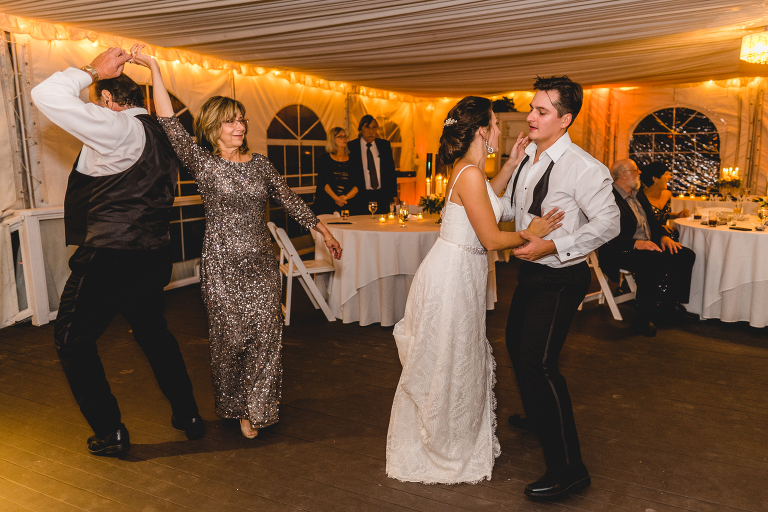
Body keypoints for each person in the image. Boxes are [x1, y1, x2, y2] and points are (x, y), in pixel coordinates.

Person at [130, 45, 342, 439]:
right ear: (214, 127)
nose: (239, 126)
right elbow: (168, 122)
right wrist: (155, 68)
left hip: (261, 266)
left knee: (267, 337)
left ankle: (256, 410)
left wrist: (322, 229)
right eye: (230, 121)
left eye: (241, 119)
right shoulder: (204, 164)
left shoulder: (260, 165)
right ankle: (234, 403)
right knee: (231, 341)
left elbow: (289, 199)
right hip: (222, 269)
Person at [31, 47, 205, 456]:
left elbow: (45, 94)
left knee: (72, 340)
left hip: (111, 253)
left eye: (97, 102)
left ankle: (110, 431)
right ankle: (189, 415)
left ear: (108, 99)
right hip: (153, 254)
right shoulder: (161, 132)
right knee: (153, 333)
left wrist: (93, 71)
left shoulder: (117, 127)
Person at [386, 96, 564, 484]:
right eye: (496, 124)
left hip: (461, 272)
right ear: (482, 131)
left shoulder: (471, 172)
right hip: (451, 276)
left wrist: (511, 164)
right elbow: (491, 237)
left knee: (457, 354)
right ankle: (444, 442)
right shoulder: (468, 173)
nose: (500, 130)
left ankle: (453, 434)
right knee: (449, 356)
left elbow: (487, 199)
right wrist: (530, 232)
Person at [494, 76, 620, 498]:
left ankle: (570, 470)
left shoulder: (584, 167)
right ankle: (539, 413)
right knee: (517, 347)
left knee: (540, 364)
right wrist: (495, 182)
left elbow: (609, 223)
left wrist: (552, 245)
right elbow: (513, 209)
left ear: (565, 120)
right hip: (530, 273)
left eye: (541, 111)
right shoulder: (527, 156)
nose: (530, 117)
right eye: (532, 108)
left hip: (561, 278)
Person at [599, 159, 697, 337]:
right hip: (621, 249)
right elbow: (604, 234)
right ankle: (642, 318)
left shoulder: (638, 194)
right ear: (623, 175)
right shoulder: (607, 198)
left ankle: (668, 306)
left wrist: (663, 236)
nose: (640, 173)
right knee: (653, 260)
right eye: (635, 170)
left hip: (647, 245)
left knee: (685, 255)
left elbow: (653, 221)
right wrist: (636, 243)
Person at [347, 115, 397, 215]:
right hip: (360, 196)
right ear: (360, 129)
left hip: (382, 195)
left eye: (374, 127)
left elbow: (391, 172)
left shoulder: (384, 145)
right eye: (367, 127)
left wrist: (394, 195)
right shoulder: (352, 146)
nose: (371, 131)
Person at [312, 127, 361, 215]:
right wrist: (337, 199)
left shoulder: (353, 159)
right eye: (340, 136)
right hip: (327, 204)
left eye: (345, 136)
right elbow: (324, 183)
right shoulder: (325, 158)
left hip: (349, 204)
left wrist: (344, 198)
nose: (344, 138)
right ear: (332, 139)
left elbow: (358, 184)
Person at [640, 161, 689, 241]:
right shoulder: (642, 197)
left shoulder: (667, 194)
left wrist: (677, 215)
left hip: (665, 234)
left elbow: (662, 215)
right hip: (649, 237)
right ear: (655, 179)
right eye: (666, 174)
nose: (670, 177)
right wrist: (660, 228)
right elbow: (643, 222)